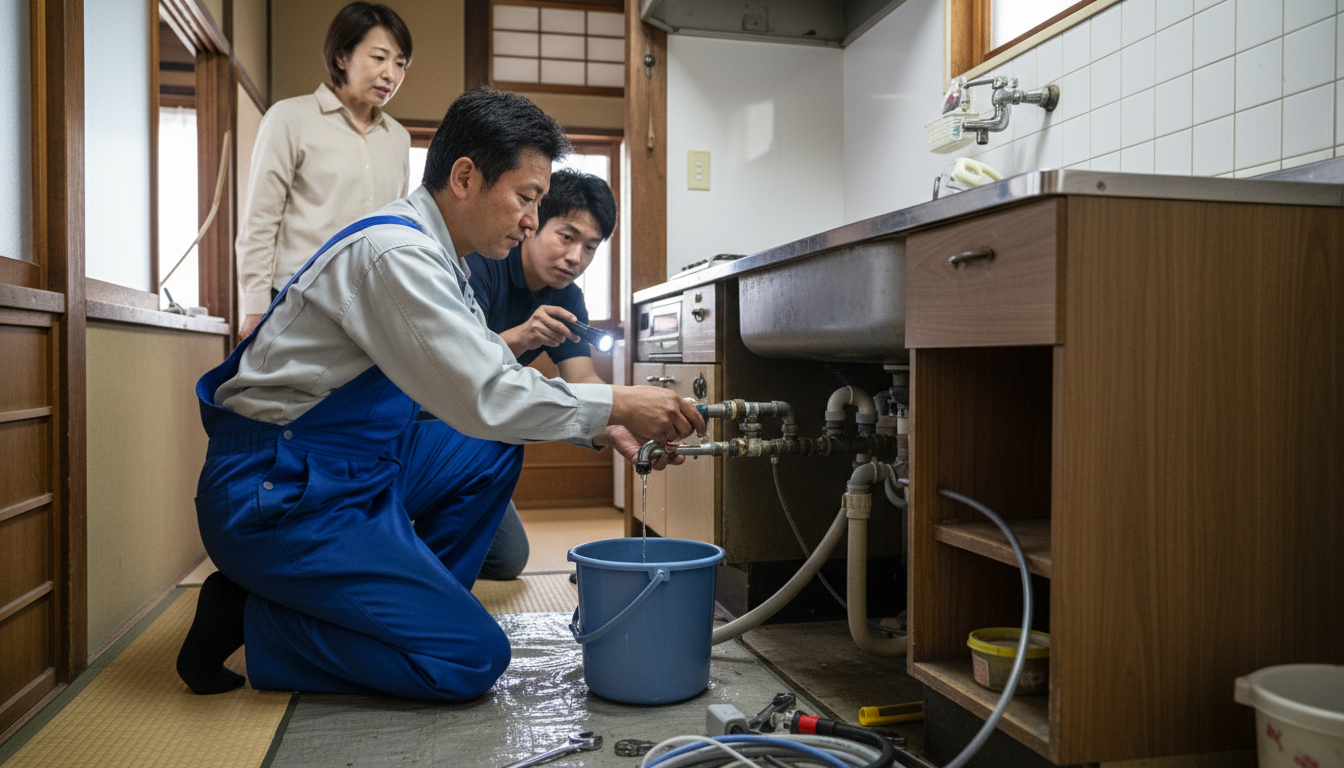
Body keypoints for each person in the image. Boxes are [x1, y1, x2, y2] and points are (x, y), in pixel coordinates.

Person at [175, 86, 702, 703]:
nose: (532, 221)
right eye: (527, 199)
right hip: (278, 488)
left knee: (489, 450)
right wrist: (620, 404)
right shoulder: (398, 255)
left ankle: (412, 606)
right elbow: (486, 392)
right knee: (469, 659)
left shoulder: (442, 257)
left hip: (351, 463)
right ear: (465, 177)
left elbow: (489, 392)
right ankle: (253, 618)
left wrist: (606, 421)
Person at [465, 169, 621, 581]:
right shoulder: (482, 264)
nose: (576, 257)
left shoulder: (569, 296)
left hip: (482, 431)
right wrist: (523, 335)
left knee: (507, 560)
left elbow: (582, 378)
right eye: (567, 237)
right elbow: (454, 366)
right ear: (533, 224)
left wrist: (625, 415)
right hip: (436, 421)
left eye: (590, 247)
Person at [236, 2, 413, 340]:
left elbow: (395, 228)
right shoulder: (289, 118)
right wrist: (255, 306)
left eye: (400, 63)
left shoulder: (399, 138)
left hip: (371, 309)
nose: (391, 74)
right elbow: (260, 219)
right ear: (341, 57)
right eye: (379, 57)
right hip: (295, 301)